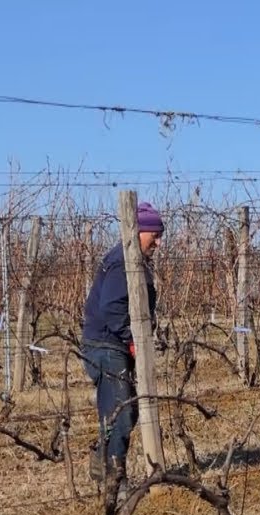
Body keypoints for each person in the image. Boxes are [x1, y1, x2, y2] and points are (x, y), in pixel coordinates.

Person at [82, 202, 165, 494]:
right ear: (138, 230)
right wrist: (133, 340)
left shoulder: (133, 259)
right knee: (121, 410)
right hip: (106, 345)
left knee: (123, 410)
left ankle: (106, 462)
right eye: (154, 234)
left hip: (113, 343)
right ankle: (116, 480)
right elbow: (113, 308)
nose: (158, 241)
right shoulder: (122, 262)